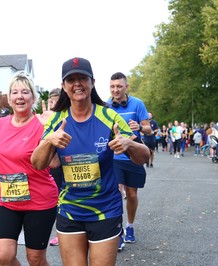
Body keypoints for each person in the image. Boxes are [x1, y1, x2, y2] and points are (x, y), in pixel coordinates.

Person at [31, 58, 150, 265]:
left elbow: (144, 156)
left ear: (92, 82)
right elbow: (38, 163)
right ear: (64, 86)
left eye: (82, 78)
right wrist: (48, 140)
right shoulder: (56, 120)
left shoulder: (109, 116)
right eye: (71, 79)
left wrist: (129, 145)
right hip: (70, 208)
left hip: (105, 209)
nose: (77, 84)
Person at [0, 72, 59, 265]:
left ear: (33, 97)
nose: (20, 96)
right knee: (3, 256)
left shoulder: (42, 124)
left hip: (39, 200)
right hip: (6, 200)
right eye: (15, 92)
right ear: (9, 98)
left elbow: (55, 164)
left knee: (35, 258)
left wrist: (50, 131)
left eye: (25, 92)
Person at [107, 72, 151, 249]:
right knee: (117, 194)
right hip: (114, 157)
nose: (115, 90)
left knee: (132, 194)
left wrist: (140, 127)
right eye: (112, 87)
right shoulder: (105, 106)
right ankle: (117, 232)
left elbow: (148, 129)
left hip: (133, 155)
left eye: (119, 86)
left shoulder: (137, 103)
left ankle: (130, 226)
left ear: (126, 87)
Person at [47, 88, 63, 247]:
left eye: (55, 101)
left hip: (65, 164)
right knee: (56, 199)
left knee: (63, 198)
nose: (52, 104)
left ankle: (62, 233)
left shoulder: (64, 118)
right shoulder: (44, 119)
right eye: (50, 101)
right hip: (51, 165)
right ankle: (60, 232)